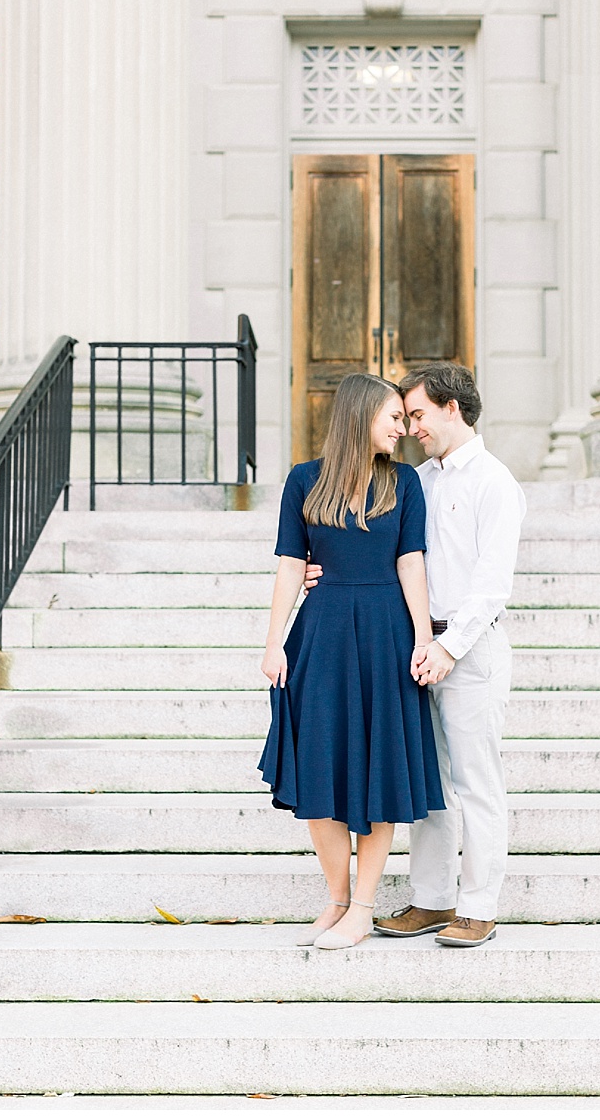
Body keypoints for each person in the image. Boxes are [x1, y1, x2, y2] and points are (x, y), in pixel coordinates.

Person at [333, 362, 526, 949]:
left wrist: (447, 645)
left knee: (475, 781)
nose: (410, 425)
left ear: (452, 408)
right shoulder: (420, 481)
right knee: (431, 785)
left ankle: (478, 906)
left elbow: (492, 585)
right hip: (415, 646)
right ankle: (432, 900)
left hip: (468, 649)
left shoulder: (495, 483)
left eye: (417, 413)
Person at [257, 372, 443, 950]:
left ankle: (363, 907)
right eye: (393, 417)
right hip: (322, 633)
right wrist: (272, 642)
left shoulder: (404, 482)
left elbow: (412, 562)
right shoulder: (304, 481)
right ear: (361, 415)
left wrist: (421, 637)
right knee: (320, 765)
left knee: (379, 768)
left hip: (387, 630)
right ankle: (336, 898)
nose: (402, 428)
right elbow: (292, 563)